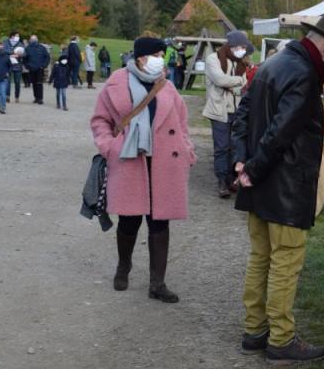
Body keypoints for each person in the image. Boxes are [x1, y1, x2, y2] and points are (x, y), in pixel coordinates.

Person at [231, 13, 324, 363]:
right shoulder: (302, 74)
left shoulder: (275, 63)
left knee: (261, 258)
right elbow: (281, 133)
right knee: (284, 262)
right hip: (283, 186)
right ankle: (281, 339)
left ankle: (255, 331)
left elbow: (243, 114)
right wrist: (250, 168)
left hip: (261, 183)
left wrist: (243, 162)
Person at [90, 37, 196, 303]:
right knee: (129, 220)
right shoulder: (116, 83)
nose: (162, 58)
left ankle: (157, 284)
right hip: (129, 159)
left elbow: (182, 124)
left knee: (160, 221)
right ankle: (123, 266)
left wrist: (187, 150)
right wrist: (110, 147)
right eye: (157, 54)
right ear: (141, 57)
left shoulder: (168, 86)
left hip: (165, 162)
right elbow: (100, 121)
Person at [203, 30, 253, 198]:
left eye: (245, 47)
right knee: (221, 147)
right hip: (219, 109)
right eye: (240, 46)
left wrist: (236, 84)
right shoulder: (213, 59)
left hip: (237, 109)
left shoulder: (242, 62)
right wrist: (239, 81)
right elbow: (220, 80)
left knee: (235, 146)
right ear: (232, 46)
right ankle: (222, 181)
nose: (243, 50)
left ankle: (232, 179)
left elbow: (245, 86)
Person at [24, 35, 50, 104]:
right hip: (32, 68)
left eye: (34, 39)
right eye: (32, 39)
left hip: (39, 68)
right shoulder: (27, 48)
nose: (33, 40)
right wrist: (27, 66)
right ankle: (36, 97)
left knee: (39, 83)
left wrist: (44, 65)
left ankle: (40, 98)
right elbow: (24, 59)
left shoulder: (42, 48)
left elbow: (47, 57)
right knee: (35, 84)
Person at [3, 31, 24, 101]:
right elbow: (3, 50)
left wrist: (19, 54)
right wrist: (12, 53)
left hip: (17, 65)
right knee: (7, 82)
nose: (18, 37)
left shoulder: (20, 43)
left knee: (17, 82)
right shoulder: (5, 42)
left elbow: (24, 53)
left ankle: (17, 97)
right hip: (8, 65)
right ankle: (7, 96)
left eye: (18, 36)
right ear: (12, 36)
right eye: (17, 36)